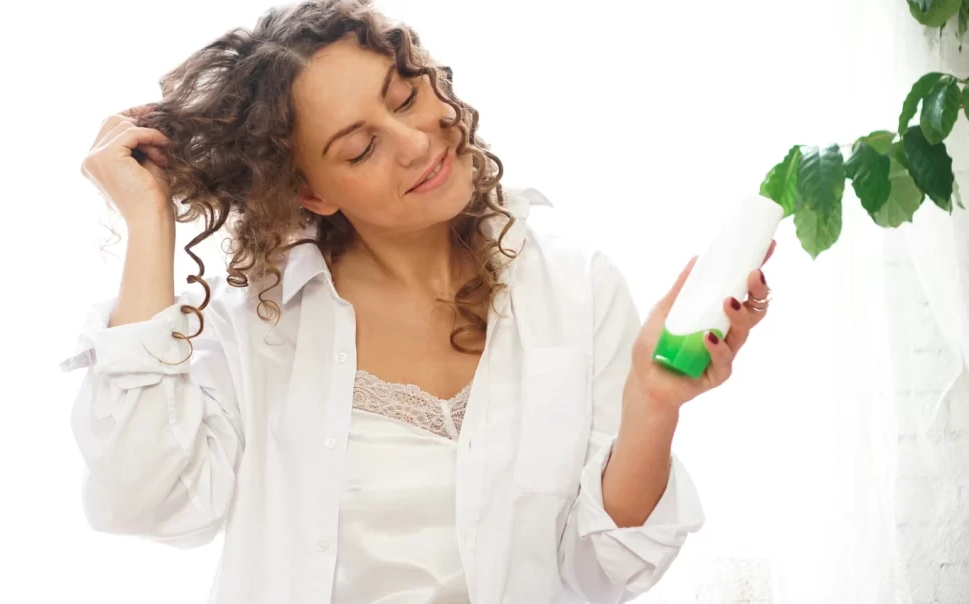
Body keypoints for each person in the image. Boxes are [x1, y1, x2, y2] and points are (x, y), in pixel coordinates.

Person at [61, 0, 776, 602]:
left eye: (405, 97)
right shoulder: (258, 331)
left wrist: (653, 405)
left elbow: (606, 570)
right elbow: (149, 503)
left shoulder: (576, 286)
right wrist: (150, 223)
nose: (414, 143)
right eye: (359, 148)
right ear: (311, 193)